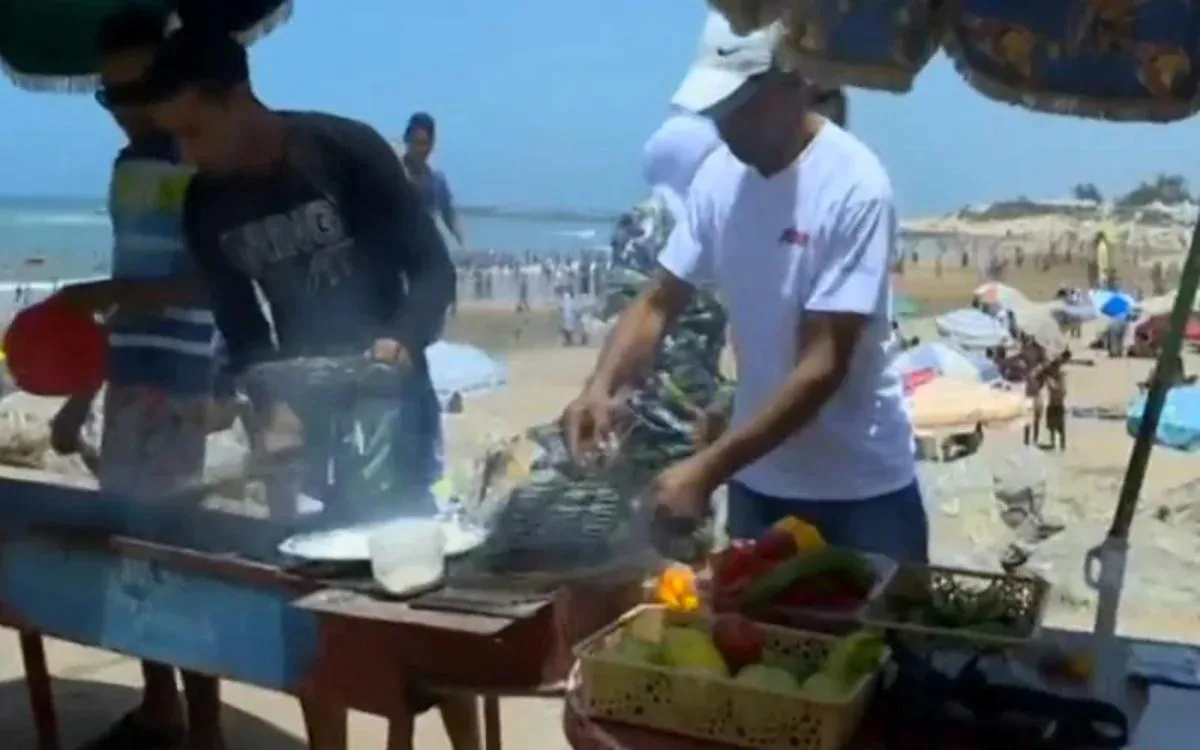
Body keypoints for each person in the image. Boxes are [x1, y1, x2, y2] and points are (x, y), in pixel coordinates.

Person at [140, 28, 476, 750]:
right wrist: (274, 408)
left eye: (194, 130)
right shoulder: (205, 205)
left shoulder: (344, 151)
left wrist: (400, 341)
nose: (187, 154)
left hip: (392, 397)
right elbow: (242, 325)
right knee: (314, 602)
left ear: (238, 97)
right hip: (302, 402)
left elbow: (432, 271)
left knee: (416, 587)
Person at [562, 16, 925, 562]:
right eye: (717, 109)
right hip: (757, 481)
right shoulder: (718, 177)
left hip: (860, 492)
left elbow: (823, 365)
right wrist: (600, 386)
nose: (727, 126)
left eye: (741, 107)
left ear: (795, 81)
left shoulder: (856, 186)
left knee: (881, 620)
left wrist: (707, 469)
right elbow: (659, 300)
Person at [49, 9, 226, 750]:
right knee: (128, 550)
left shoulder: (199, 159)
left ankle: (206, 728)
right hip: (128, 377)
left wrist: (108, 296)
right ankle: (160, 707)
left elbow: (215, 282)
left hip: (183, 382)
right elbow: (128, 290)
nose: (122, 110)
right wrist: (82, 395)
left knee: (173, 559)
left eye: (136, 90)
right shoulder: (127, 168)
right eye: (109, 95)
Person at [401, 112, 465, 248]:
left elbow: (448, 214)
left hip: (426, 245)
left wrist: (460, 239)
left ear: (432, 144)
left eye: (424, 144)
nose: (419, 149)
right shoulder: (395, 174)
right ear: (406, 140)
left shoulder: (437, 181)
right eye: (415, 142)